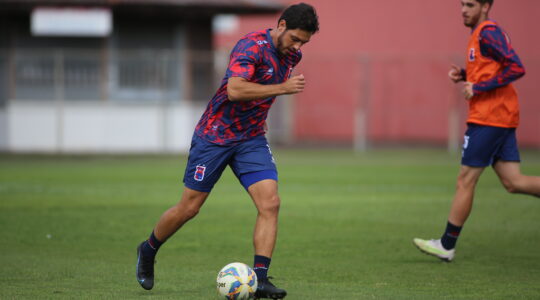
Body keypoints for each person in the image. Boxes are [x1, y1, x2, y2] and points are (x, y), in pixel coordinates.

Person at [136, 3, 319, 298]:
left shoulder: (291, 54)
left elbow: (263, 88)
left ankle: (259, 280)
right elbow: (235, 89)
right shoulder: (251, 46)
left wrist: (262, 116)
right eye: (295, 38)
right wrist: (283, 88)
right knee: (190, 208)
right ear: (281, 25)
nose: (297, 46)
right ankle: (148, 249)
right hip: (215, 136)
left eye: (303, 42)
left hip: (251, 139)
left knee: (270, 204)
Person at [413, 0, 540, 262]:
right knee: (513, 182)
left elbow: (516, 67)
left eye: (470, 4)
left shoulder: (488, 32)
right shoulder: (480, 34)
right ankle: (446, 245)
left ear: (486, 6)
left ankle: (446, 245)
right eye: (461, 4)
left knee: (465, 180)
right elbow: (491, 70)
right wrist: (463, 74)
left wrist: (478, 89)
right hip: (499, 116)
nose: (463, 10)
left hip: (490, 118)